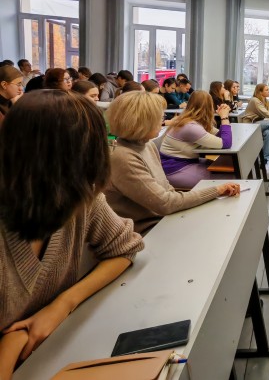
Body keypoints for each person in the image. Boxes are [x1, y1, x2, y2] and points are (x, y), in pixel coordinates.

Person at [0, 91, 144, 375]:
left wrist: (63, 303)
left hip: (46, 354)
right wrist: (12, 342)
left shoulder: (81, 198)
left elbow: (124, 248)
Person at [105, 92, 240, 234]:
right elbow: (165, 203)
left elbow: (166, 188)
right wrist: (216, 190)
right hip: (146, 231)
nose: (163, 120)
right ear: (144, 121)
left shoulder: (147, 145)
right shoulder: (123, 158)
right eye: (160, 117)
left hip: (161, 219)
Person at [159, 91, 233, 189]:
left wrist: (223, 117)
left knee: (226, 169)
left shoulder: (192, 121)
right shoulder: (190, 126)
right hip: (175, 169)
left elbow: (220, 136)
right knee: (228, 178)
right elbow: (226, 143)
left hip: (185, 163)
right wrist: (224, 117)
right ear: (209, 107)